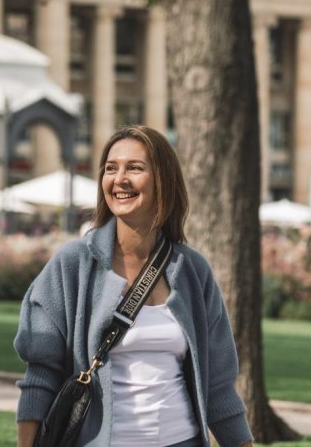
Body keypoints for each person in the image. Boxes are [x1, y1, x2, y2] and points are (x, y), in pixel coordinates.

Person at [13, 126, 253, 447]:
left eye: (135, 168)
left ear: (162, 181)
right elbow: (40, 376)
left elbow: (220, 386)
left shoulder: (192, 270)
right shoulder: (72, 264)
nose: (119, 178)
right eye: (111, 168)